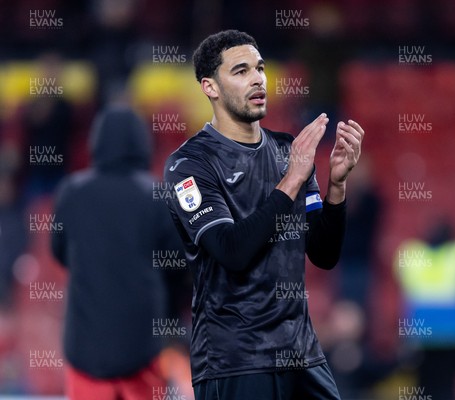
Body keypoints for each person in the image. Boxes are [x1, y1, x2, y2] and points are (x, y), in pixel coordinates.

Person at [163, 30, 365, 399]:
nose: (257, 78)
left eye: (259, 68)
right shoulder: (190, 165)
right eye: (240, 71)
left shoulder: (288, 151)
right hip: (235, 360)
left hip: (302, 355)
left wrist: (337, 185)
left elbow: (324, 253)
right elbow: (232, 251)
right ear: (210, 87)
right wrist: (291, 180)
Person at [51, 107, 179, 400]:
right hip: (143, 349)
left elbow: (60, 253)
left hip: (84, 349)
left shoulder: (71, 191)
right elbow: (178, 263)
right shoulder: (156, 195)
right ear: (141, 143)